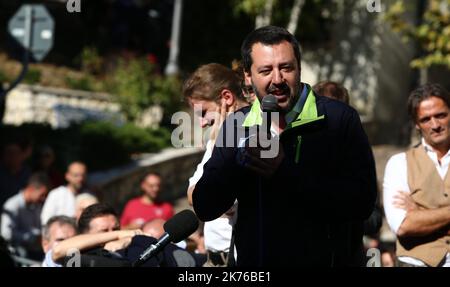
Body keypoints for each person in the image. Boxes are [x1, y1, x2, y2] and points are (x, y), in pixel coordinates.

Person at [192, 26, 377, 267]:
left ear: (299, 68)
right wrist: (237, 163)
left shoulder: (339, 119)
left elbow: (362, 203)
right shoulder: (237, 125)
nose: (277, 80)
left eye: (286, 68)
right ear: (248, 76)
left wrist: (285, 171)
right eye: (266, 70)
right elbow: (205, 206)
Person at [183, 63, 249, 267]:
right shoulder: (218, 137)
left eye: (203, 112)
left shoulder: (255, 136)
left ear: (226, 98)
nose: (202, 123)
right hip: (214, 259)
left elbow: (214, 198)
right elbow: (192, 195)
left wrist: (211, 199)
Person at [383, 83, 450, 267]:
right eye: (426, 119)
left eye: (441, 115)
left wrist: (421, 212)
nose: (435, 125)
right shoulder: (399, 164)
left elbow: (414, 222)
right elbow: (404, 226)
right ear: (417, 124)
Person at [1, 172, 49, 260]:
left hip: (35, 252)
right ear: (31, 189)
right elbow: (6, 234)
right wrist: (32, 237)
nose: (43, 198)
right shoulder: (12, 205)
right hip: (17, 254)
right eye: (42, 194)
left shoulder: (36, 205)